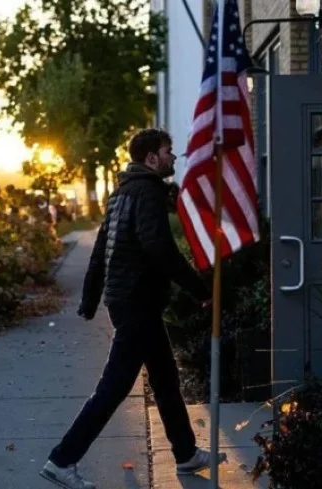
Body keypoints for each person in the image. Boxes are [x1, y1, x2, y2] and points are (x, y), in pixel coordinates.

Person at [40, 129, 222, 489]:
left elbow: (101, 249)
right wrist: (200, 288)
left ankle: (185, 454)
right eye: (169, 152)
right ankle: (62, 460)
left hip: (132, 302)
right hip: (138, 304)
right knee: (114, 387)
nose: (174, 158)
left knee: (166, 379)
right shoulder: (149, 190)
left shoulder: (121, 192)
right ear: (152, 158)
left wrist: (90, 300)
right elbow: (158, 247)